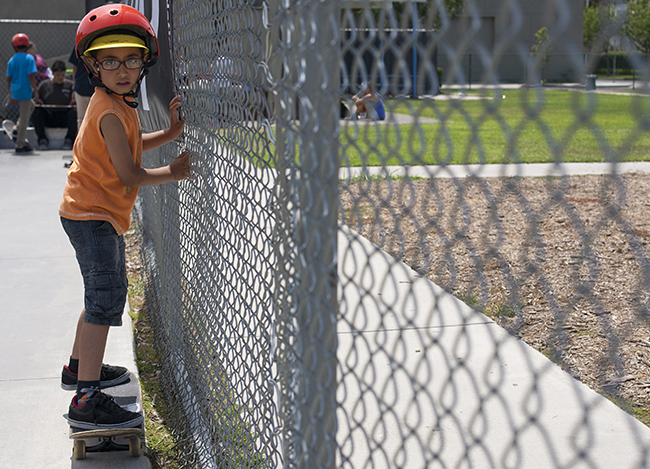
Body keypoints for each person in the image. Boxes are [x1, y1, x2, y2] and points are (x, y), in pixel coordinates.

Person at [59, 4, 192, 429]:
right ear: (94, 66)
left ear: (143, 63)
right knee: (104, 302)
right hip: (92, 216)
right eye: (111, 61)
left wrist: (169, 133)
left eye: (131, 59)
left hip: (93, 213)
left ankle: (78, 368)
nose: (122, 69)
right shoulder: (109, 110)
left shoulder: (115, 103)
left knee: (100, 295)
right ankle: (86, 400)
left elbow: (131, 145)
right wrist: (172, 171)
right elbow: (130, 173)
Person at [33, 60, 77, 150]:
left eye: (63, 75)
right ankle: (42, 140)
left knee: (74, 112)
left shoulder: (70, 85)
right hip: (50, 116)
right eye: (58, 75)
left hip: (64, 116)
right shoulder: (44, 85)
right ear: (53, 73)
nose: (60, 77)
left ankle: (69, 140)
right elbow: (37, 99)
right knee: (36, 112)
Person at [5, 32, 38, 154]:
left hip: (15, 90)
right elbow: (31, 76)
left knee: (31, 107)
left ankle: (16, 129)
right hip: (25, 90)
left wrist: (11, 94)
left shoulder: (12, 60)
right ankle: (20, 144)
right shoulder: (29, 58)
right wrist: (35, 90)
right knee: (24, 117)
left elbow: (9, 78)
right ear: (27, 45)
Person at [69, 46, 94, 129]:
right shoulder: (78, 47)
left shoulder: (97, 45)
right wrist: (74, 87)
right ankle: (82, 137)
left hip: (96, 88)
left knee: (95, 117)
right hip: (81, 88)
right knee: (81, 118)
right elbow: (75, 68)